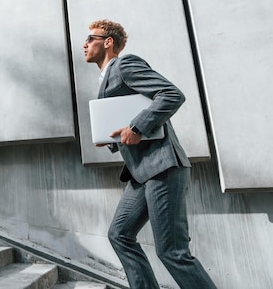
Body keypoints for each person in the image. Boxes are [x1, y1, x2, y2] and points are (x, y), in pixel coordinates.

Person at [83, 19, 216, 289]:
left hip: (162, 167)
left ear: (108, 42)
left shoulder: (124, 65)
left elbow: (171, 94)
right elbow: (128, 117)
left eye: (90, 38)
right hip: (142, 173)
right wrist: (111, 137)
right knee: (120, 234)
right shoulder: (108, 77)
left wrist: (136, 127)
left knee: (172, 251)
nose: (84, 44)